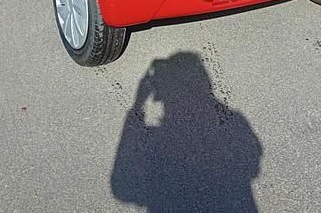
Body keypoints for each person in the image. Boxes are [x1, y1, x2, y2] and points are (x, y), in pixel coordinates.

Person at [111, 51, 262, 212]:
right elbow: (253, 162)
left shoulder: (162, 138)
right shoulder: (235, 120)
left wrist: (138, 104)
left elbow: (121, 189)